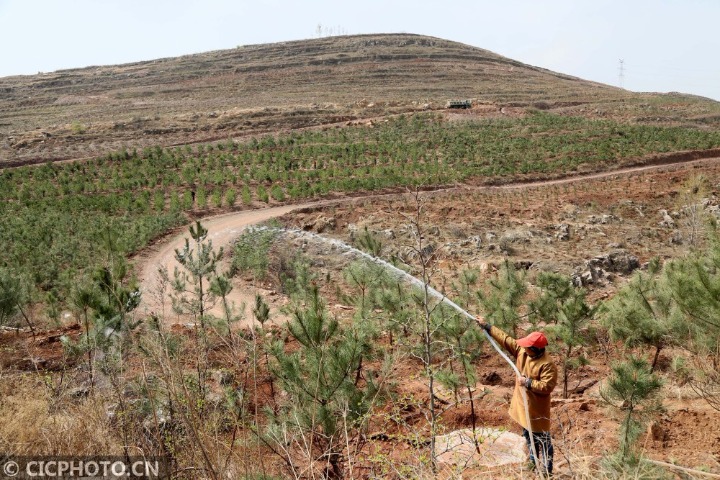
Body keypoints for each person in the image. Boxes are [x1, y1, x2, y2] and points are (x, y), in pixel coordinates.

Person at [476, 316, 558, 475]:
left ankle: (547, 471)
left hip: (537, 410)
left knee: (544, 440)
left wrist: (528, 382)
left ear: (536, 349)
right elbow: (506, 340)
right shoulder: (523, 352)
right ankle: (533, 464)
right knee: (528, 436)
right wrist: (488, 326)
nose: (524, 347)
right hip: (523, 405)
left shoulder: (548, 364)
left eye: (528, 346)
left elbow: (547, 386)